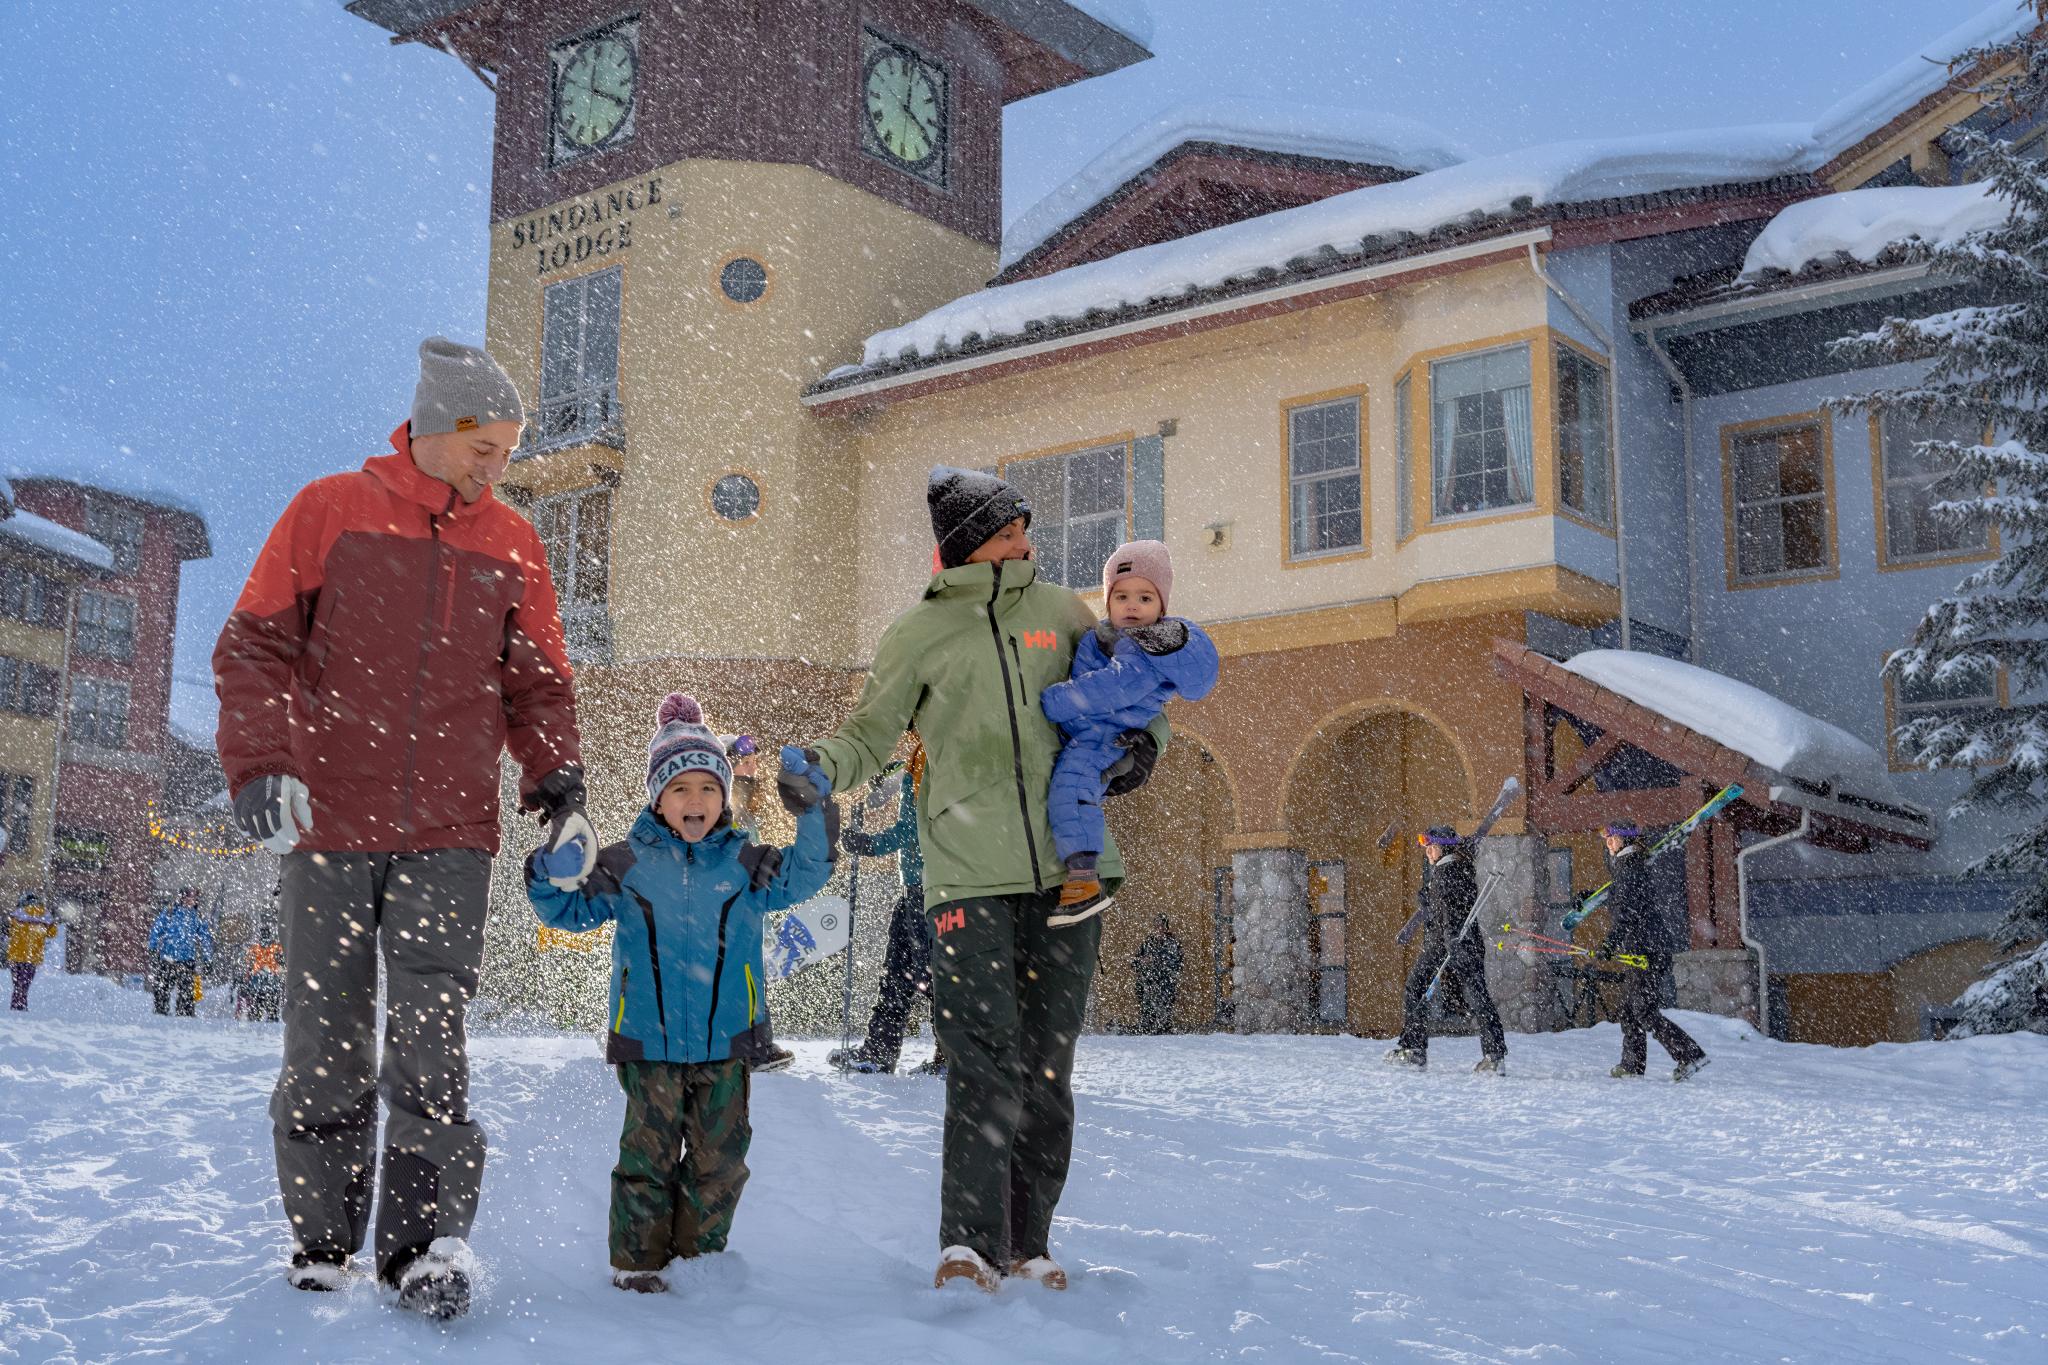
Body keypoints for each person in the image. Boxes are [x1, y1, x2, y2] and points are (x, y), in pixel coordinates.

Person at [213, 336, 593, 1318]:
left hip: (450, 832)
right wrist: (260, 765)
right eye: (484, 443)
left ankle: (422, 1247)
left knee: (432, 1033)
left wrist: (554, 773)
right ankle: (324, 1242)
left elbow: (537, 681)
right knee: (324, 1032)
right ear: (434, 430)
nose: (496, 462)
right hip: (329, 822)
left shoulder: (511, 541)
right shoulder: (328, 511)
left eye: (508, 448)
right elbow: (254, 646)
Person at [791, 466, 1168, 1293]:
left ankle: (1030, 1243)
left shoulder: (1065, 613)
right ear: (969, 541)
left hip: (1072, 872)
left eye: (1026, 527)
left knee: (1046, 1064)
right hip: (964, 875)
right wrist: (821, 767)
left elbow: (1135, 689)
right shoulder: (918, 634)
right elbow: (872, 732)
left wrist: (1146, 746)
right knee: (981, 1055)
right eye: (1010, 528)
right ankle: (968, 1241)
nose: (1026, 541)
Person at [527, 694, 835, 1294]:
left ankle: (699, 1263)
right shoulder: (625, 862)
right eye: (680, 789)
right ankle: (638, 1267)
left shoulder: (746, 863)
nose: (696, 802)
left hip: (726, 1043)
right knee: (647, 1162)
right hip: (650, 1042)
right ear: (657, 798)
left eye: (708, 788)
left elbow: (807, 872)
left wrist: (814, 810)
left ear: (724, 795)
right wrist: (548, 869)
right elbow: (564, 909)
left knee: (720, 1164)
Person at [1040, 540, 1219, 922]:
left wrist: (1058, 700)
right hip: (1093, 727)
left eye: (1144, 597)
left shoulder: (1147, 648)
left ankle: (1084, 878)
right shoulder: (1106, 637)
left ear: (1161, 607)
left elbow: (1115, 688)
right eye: (1121, 596)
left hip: (1108, 732)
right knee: (1075, 789)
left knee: (1071, 789)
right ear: (1107, 602)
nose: (1132, 606)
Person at [829, 744, 943, 1076]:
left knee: (931, 975)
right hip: (916, 888)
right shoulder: (919, 757)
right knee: (898, 970)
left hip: (930, 888)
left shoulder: (930, 760)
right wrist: (885, 771)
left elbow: (913, 828)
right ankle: (879, 1051)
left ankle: (951, 1056)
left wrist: (870, 844)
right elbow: (896, 777)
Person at [1386, 828, 1507, 1075]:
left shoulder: (1446, 871)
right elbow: (1445, 907)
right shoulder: (1457, 868)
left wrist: (1453, 942)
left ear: (1445, 847)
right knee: (1476, 995)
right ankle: (1494, 1054)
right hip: (1461, 942)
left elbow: (1450, 912)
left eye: (1432, 846)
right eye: (1426, 847)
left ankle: (1415, 1049)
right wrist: (1427, 898)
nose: (1428, 851)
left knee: (1418, 987)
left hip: (1449, 943)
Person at [1600, 822, 1709, 1082]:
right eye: (1606, 839)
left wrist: (1609, 943)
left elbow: (1627, 911)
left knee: (1643, 1010)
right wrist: (1585, 896)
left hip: (1647, 950)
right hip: (1640, 948)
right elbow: (1618, 898)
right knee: (1629, 1009)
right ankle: (1632, 1065)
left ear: (1625, 841)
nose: (1608, 844)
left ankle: (1690, 1055)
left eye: (1612, 838)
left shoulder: (1630, 869)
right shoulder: (1626, 867)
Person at [720, 732, 798, 1074]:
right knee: (746, 976)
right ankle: (755, 1048)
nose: (753, 769)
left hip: (746, 903)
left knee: (745, 975)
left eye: (754, 763)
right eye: (746, 763)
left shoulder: (746, 802)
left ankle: (750, 1045)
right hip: (733, 905)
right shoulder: (725, 800)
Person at [147, 887, 213, 1018]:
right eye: (188, 898)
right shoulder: (170, 913)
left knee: (187, 992)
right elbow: (156, 930)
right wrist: (153, 948)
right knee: (162, 988)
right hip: (168, 957)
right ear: (181, 898)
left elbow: (205, 938)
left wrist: (207, 959)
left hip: (187, 959)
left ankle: (185, 1014)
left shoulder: (198, 917)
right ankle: (160, 1012)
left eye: (193, 899)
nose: (190, 902)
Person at [7, 890, 58, 1011]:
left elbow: (10, 931)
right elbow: (52, 933)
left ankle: (16, 1004)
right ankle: (21, 1003)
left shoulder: (17, 914)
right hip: (32, 956)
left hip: (15, 955)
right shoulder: (45, 916)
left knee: (17, 982)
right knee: (25, 982)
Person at [1132, 915, 1184, 1035]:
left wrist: (1155, 960)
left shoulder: (1172, 943)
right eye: (1156, 925)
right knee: (1144, 991)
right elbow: (1135, 962)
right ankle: (1147, 1024)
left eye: (1161, 925)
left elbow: (1175, 964)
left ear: (1166, 927)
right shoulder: (1148, 942)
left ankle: (1162, 1025)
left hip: (1165, 982)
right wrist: (1142, 961)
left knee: (1163, 996)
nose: (1158, 928)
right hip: (1149, 982)